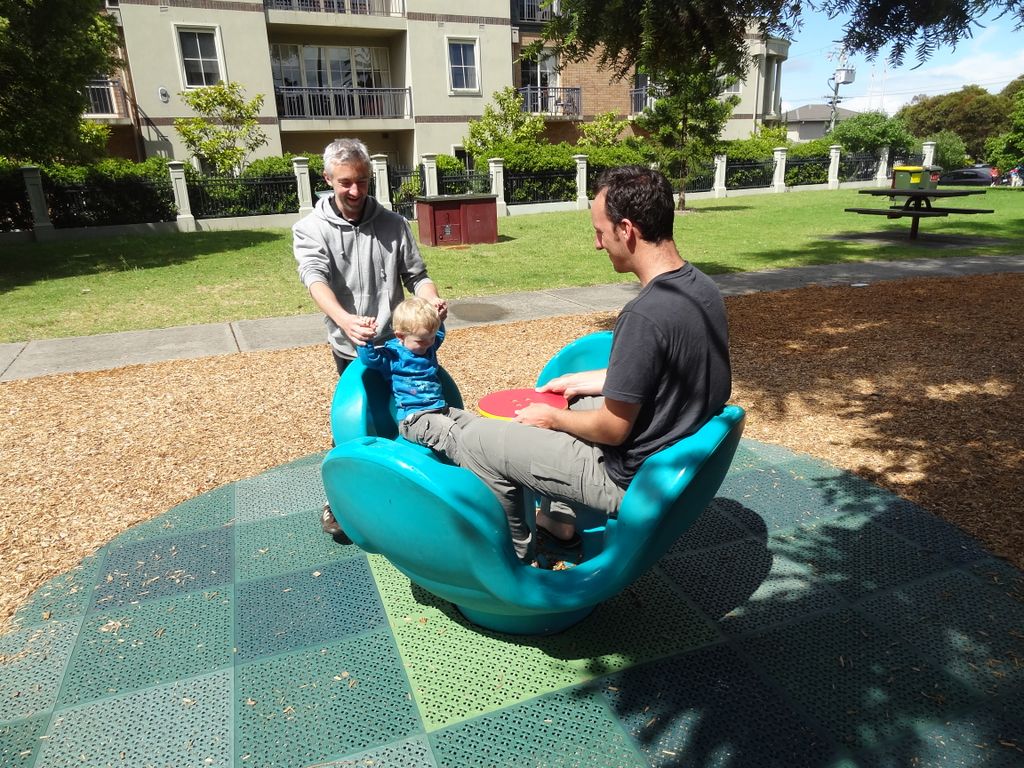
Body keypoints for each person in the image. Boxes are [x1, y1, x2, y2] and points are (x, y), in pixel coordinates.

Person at [456, 165, 732, 565]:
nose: (597, 244)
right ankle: (558, 526)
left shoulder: (644, 314)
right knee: (570, 397)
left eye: (600, 232)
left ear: (626, 230)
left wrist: (553, 420)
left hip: (626, 477)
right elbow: (675, 369)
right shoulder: (701, 288)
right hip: (668, 452)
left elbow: (612, 429)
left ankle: (512, 564)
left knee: (477, 441)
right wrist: (594, 380)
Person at [294, 138, 447, 540]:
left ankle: (404, 492)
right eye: (345, 182)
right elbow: (314, 278)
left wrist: (430, 300)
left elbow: (417, 275)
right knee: (356, 421)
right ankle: (342, 500)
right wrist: (345, 320)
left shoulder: (393, 224)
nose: (355, 190)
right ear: (327, 179)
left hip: (399, 344)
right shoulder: (310, 229)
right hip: (351, 347)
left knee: (404, 415)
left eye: (362, 181)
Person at [356, 296, 475, 464]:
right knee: (450, 434)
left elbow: (439, 334)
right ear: (400, 336)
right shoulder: (393, 356)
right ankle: (474, 469)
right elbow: (370, 359)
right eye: (421, 340)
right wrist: (366, 338)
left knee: (475, 425)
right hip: (415, 419)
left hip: (442, 410)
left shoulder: (428, 346)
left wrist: (438, 316)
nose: (429, 344)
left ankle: (493, 460)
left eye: (431, 337)